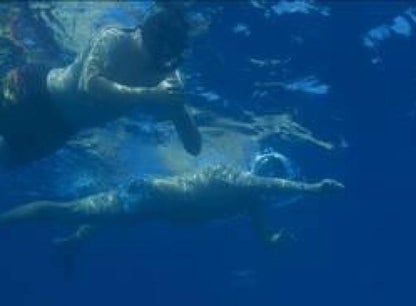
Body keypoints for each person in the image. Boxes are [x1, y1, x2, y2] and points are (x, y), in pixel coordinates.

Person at [0, 165, 344, 265]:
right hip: (149, 195)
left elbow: (264, 238)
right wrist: (312, 188)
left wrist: (276, 240)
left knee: (91, 216)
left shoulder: (253, 202)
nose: (267, 187)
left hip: (152, 207)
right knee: (66, 211)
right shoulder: (237, 177)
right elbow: (268, 183)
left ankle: (73, 241)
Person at [0, 2, 201, 168]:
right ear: (147, 32)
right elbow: (89, 85)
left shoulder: (167, 75)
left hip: (61, 129)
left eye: (168, 54)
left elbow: (194, 148)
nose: (158, 61)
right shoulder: (114, 38)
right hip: (36, 90)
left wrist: (179, 109)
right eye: (158, 47)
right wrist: (149, 93)